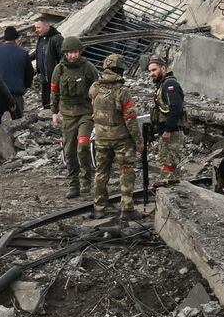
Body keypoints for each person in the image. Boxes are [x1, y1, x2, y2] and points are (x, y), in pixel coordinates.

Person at [89, 54, 142, 219]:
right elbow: (130, 119)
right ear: (120, 71)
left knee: (101, 172)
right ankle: (126, 208)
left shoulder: (95, 88)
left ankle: (99, 208)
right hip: (121, 139)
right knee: (126, 171)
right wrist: (138, 141)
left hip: (101, 138)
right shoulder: (122, 91)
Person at [50, 35, 97, 198]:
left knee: (83, 145)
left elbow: (98, 87)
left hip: (85, 113)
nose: (73, 55)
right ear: (65, 53)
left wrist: (97, 109)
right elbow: (54, 91)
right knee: (69, 151)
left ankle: (86, 179)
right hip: (68, 115)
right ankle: (73, 184)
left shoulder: (87, 67)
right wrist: (54, 112)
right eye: (70, 52)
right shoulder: (59, 69)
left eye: (76, 52)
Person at [148, 56, 186, 181]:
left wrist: (168, 130)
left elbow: (175, 108)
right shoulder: (163, 84)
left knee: (168, 165)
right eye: (150, 71)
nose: (151, 74)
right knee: (167, 163)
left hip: (171, 133)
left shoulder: (170, 84)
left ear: (163, 68)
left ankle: (170, 192)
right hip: (167, 132)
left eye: (154, 70)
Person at [0, 26, 34, 118]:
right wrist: (26, 86)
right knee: (18, 123)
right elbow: (29, 73)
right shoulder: (23, 52)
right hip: (16, 94)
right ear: (17, 39)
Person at [32, 14, 64, 111]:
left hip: (54, 77)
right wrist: (25, 57)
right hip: (44, 78)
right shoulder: (41, 38)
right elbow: (38, 52)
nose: (36, 30)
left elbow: (63, 57)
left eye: (38, 27)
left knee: (54, 101)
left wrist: (59, 73)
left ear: (47, 26)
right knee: (46, 102)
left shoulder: (57, 38)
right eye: (35, 27)